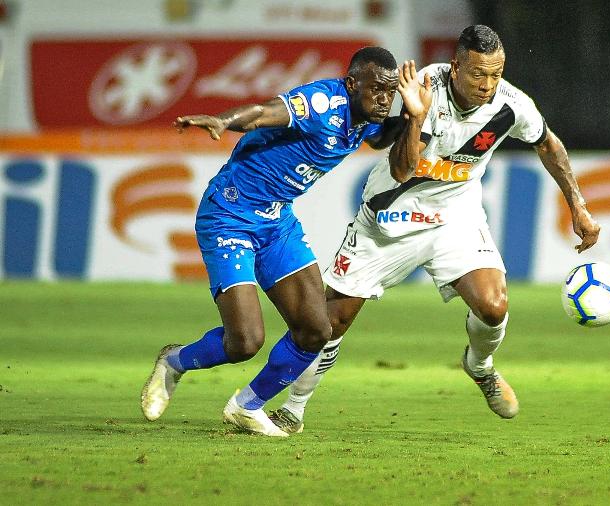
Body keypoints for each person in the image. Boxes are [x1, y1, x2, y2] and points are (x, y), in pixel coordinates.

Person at [265, 25, 601, 435]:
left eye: (496, 74)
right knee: (332, 320)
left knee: (494, 305)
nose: (488, 84)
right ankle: (293, 408)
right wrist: (418, 114)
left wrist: (578, 206)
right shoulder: (427, 86)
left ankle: (480, 366)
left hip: (454, 218)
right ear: (456, 66)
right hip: (390, 217)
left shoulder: (512, 105)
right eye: (479, 74)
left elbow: (548, 144)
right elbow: (401, 168)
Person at [140, 47, 433, 437]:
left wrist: (416, 115)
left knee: (316, 329)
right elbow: (263, 113)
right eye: (377, 89)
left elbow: (381, 142)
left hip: (277, 222)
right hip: (229, 217)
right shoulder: (321, 101)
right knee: (245, 342)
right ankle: (174, 361)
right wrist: (223, 120)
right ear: (351, 84)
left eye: (390, 91)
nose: (384, 99)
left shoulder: (366, 115)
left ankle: (247, 405)